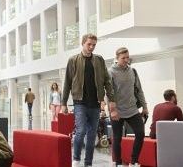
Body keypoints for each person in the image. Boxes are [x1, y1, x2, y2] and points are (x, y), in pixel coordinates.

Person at [60, 34, 116, 167]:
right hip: (80, 102)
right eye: (89, 44)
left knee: (91, 135)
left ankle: (88, 163)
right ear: (83, 43)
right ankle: (76, 159)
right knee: (81, 130)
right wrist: (63, 103)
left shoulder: (99, 60)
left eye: (94, 45)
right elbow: (67, 82)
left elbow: (107, 81)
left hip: (96, 103)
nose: (91, 47)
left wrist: (111, 99)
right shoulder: (73, 60)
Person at [108, 47, 148, 166]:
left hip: (132, 109)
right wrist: (112, 110)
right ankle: (118, 163)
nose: (126, 60)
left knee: (140, 133)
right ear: (117, 58)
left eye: (127, 57)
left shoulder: (133, 71)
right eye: (123, 58)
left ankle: (133, 161)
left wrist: (144, 107)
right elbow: (108, 93)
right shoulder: (111, 72)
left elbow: (139, 90)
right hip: (117, 111)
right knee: (117, 137)